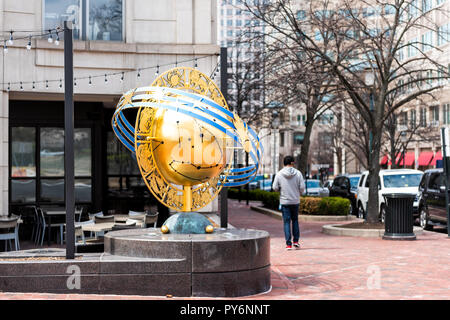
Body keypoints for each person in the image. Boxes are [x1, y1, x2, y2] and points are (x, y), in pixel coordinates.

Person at [272, 155, 305, 250]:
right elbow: (302, 187)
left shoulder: (279, 174)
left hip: (284, 201)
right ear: (292, 163)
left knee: (286, 222)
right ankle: (296, 241)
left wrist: (280, 190)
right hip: (295, 200)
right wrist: (298, 193)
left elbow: (274, 187)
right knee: (295, 220)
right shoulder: (298, 173)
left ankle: (288, 244)